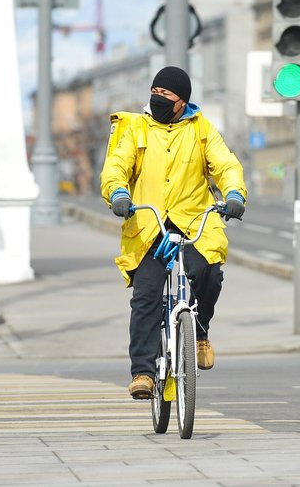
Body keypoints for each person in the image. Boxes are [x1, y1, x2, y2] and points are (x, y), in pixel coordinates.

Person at [100, 66, 248, 400]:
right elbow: (116, 167)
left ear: (182, 102)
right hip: (150, 225)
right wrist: (119, 193)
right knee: (146, 297)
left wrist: (235, 194)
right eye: (155, 92)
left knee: (208, 272)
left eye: (165, 94)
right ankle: (143, 372)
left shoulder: (201, 129)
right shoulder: (135, 128)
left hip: (195, 220)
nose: (157, 98)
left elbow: (226, 165)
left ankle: (200, 333)